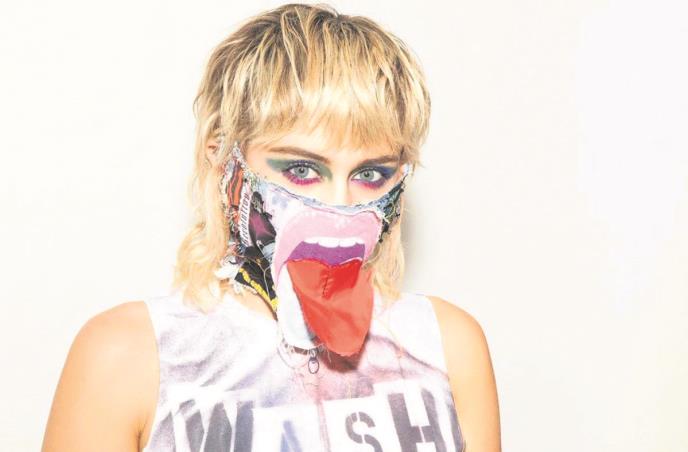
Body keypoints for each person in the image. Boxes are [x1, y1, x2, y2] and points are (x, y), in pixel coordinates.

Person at [42, 3, 501, 451]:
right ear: (223, 158)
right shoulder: (131, 358)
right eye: (302, 170)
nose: (340, 206)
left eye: (369, 174)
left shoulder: (446, 347)